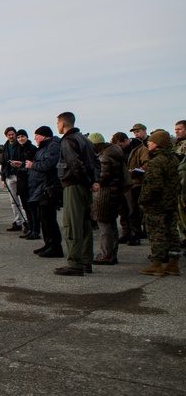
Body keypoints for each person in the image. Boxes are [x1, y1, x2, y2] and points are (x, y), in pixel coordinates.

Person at [55, 112, 100, 276]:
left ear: (62, 124)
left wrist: (89, 182)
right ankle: (86, 260)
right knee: (85, 224)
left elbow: (74, 164)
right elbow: (96, 162)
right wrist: (94, 181)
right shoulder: (85, 140)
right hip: (84, 186)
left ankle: (75, 263)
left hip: (74, 185)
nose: (57, 127)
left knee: (72, 224)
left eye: (57, 123)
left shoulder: (68, 140)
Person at [139, 129, 182, 276]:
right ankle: (173, 263)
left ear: (158, 144)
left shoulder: (156, 161)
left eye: (151, 141)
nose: (149, 143)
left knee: (156, 232)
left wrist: (143, 200)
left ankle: (156, 264)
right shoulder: (174, 159)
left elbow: (153, 185)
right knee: (172, 231)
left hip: (157, 204)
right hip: (171, 201)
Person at [87, 133, 127, 265]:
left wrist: (91, 181)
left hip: (104, 194)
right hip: (113, 192)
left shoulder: (105, 156)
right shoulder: (114, 153)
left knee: (104, 225)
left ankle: (106, 254)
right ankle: (111, 252)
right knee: (110, 224)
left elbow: (102, 176)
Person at [26, 126, 63, 258]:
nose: (35, 138)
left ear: (43, 136)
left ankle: (55, 247)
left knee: (49, 218)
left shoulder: (53, 146)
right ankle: (48, 244)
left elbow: (49, 165)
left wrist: (32, 165)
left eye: (36, 135)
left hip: (49, 187)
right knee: (43, 218)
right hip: (41, 187)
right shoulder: (43, 148)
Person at [125, 123, 151, 244]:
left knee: (143, 208)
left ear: (144, 131)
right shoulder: (131, 147)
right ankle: (137, 232)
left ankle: (146, 231)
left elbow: (147, 164)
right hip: (131, 182)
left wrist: (137, 170)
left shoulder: (145, 147)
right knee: (133, 210)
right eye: (134, 132)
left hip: (141, 181)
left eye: (138, 131)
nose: (136, 134)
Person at [11, 130, 38, 239]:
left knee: (32, 206)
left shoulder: (32, 148)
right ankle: (30, 228)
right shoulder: (19, 149)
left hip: (29, 180)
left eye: (22, 136)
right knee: (25, 206)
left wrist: (22, 164)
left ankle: (35, 230)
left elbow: (32, 164)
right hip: (21, 179)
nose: (20, 139)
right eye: (19, 137)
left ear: (27, 137)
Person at [0, 127, 25, 231]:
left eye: (12, 134)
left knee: (24, 201)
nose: (11, 136)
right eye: (9, 135)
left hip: (20, 175)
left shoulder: (21, 145)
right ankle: (17, 221)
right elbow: (3, 163)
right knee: (14, 201)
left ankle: (27, 221)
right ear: (6, 136)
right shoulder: (5, 147)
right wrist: (2, 178)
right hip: (9, 176)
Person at [174, 120, 186, 247]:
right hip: (179, 184)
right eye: (176, 129)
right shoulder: (177, 145)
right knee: (180, 216)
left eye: (180, 129)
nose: (177, 131)